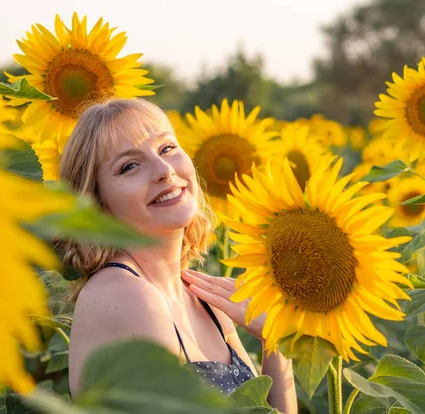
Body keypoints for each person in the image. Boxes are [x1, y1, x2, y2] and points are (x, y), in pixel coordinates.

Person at [59, 98, 297, 413]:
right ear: (97, 204)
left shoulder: (204, 299)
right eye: (130, 166)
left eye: (167, 148)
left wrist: (276, 339)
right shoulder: (128, 296)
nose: (164, 170)